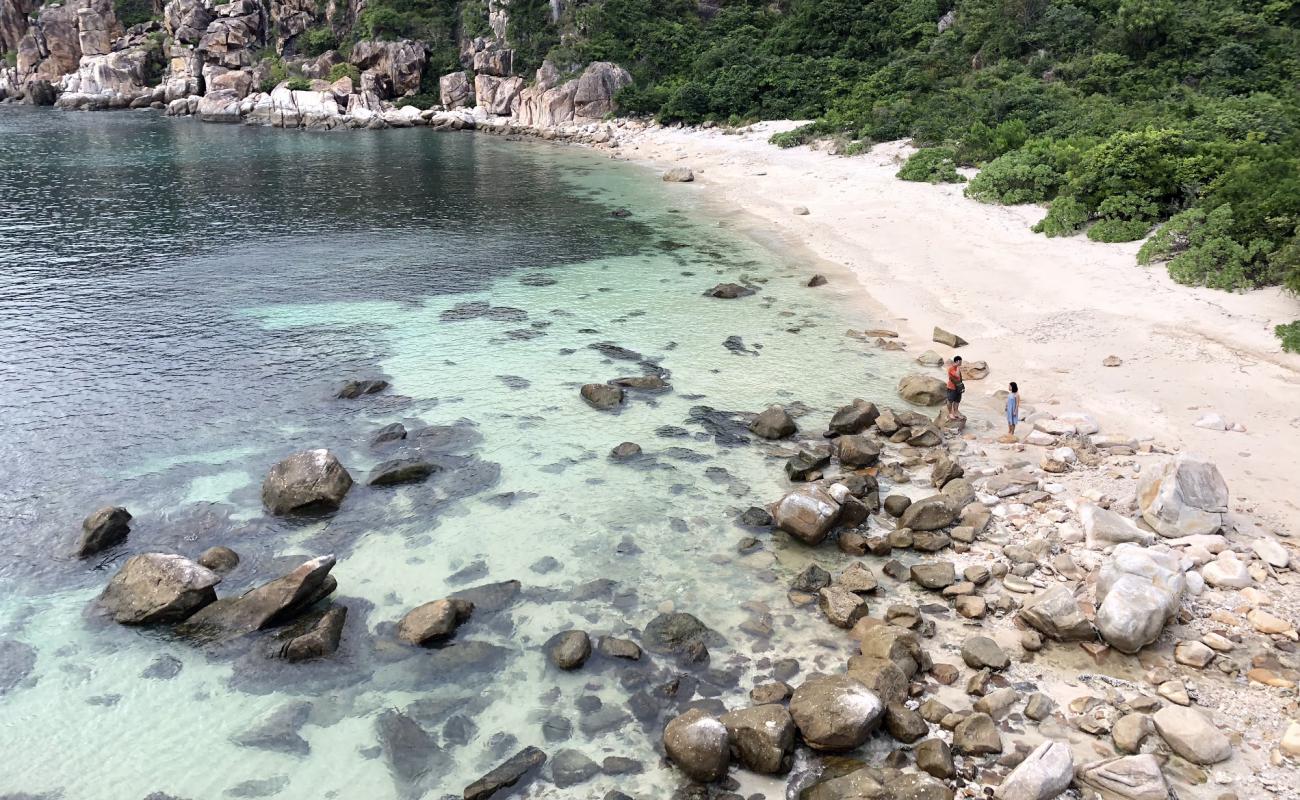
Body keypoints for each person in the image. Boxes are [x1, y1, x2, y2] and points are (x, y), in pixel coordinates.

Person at [946, 356, 965, 421]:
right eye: (960, 361)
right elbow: (957, 375)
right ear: (957, 361)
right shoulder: (951, 368)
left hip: (958, 387)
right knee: (950, 400)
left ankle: (956, 412)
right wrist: (957, 367)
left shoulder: (957, 368)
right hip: (951, 387)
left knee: (957, 401)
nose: (961, 363)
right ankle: (950, 413)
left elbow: (960, 378)